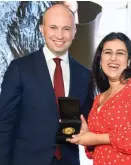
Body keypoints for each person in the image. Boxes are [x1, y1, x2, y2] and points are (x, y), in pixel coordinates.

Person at [0, 3, 93, 165]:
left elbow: (88, 123)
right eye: (53, 27)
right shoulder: (19, 69)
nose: (60, 35)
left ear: (74, 31)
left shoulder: (84, 75)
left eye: (66, 28)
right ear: (42, 29)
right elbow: (4, 125)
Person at [67, 32, 131, 165]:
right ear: (100, 60)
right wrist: (87, 135)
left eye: (120, 53)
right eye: (108, 52)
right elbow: (95, 150)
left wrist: (95, 138)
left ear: (129, 61)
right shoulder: (99, 98)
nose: (113, 58)